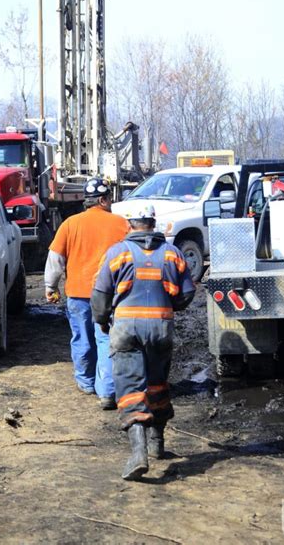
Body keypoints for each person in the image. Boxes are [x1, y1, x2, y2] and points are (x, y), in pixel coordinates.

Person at [91, 204, 195, 480]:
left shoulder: (117, 252)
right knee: (157, 384)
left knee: (130, 388)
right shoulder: (173, 253)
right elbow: (187, 292)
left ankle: (139, 454)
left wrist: (101, 320)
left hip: (126, 328)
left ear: (130, 224)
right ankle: (157, 442)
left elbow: (100, 293)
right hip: (160, 327)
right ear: (153, 222)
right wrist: (169, 305)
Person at [44, 177, 129, 409]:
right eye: (109, 198)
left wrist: (50, 287)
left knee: (82, 338)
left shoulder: (70, 224)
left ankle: (86, 383)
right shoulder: (121, 224)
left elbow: (56, 259)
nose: (111, 202)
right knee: (105, 340)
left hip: (78, 293)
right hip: (111, 295)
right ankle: (107, 391)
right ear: (102, 200)